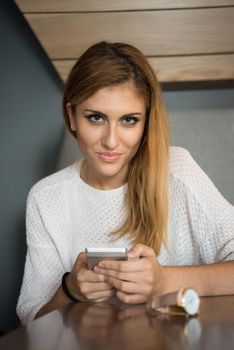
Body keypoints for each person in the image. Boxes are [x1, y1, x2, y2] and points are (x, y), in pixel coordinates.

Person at [16, 41, 234, 324]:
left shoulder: (177, 170)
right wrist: (69, 289)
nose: (111, 141)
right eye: (96, 118)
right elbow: (31, 322)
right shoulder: (45, 198)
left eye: (129, 120)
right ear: (71, 116)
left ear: (146, 123)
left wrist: (162, 280)